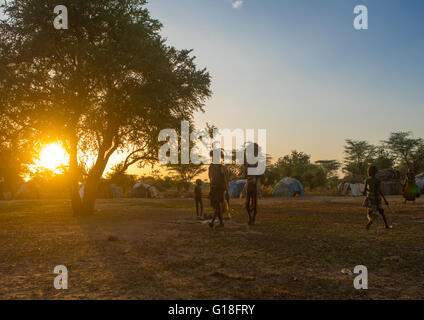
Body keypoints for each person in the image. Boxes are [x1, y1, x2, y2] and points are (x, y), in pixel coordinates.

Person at [363, 165, 392, 230]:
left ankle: (370, 220)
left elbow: (365, 190)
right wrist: (385, 200)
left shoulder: (367, 180)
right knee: (381, 211)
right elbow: (379, 190)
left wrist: (367, 192)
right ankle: (386, 225)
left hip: (370, 197)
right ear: (376, 172)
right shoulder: (378, 180)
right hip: (377, 197)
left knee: (369, 213)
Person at [208, 150, 227, 228]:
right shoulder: (211, 167)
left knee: (217, 205)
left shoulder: (221, 167)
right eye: (213, 157)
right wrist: (211, 188)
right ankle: (221, 223)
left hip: (220, 188)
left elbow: (225, 178)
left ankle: (212, 222)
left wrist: (226, 188)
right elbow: (210, 178)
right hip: (214, 188)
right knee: (216, 206)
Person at [244, 143, 262, 225]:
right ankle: (250, 218)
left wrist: (255, 177)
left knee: (254, 203)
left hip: (254, 184)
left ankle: (253, 219)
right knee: (247, 203)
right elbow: (245, 174)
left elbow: (260, 173)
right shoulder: (248, 162)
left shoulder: (257, 162)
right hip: (249, 183)